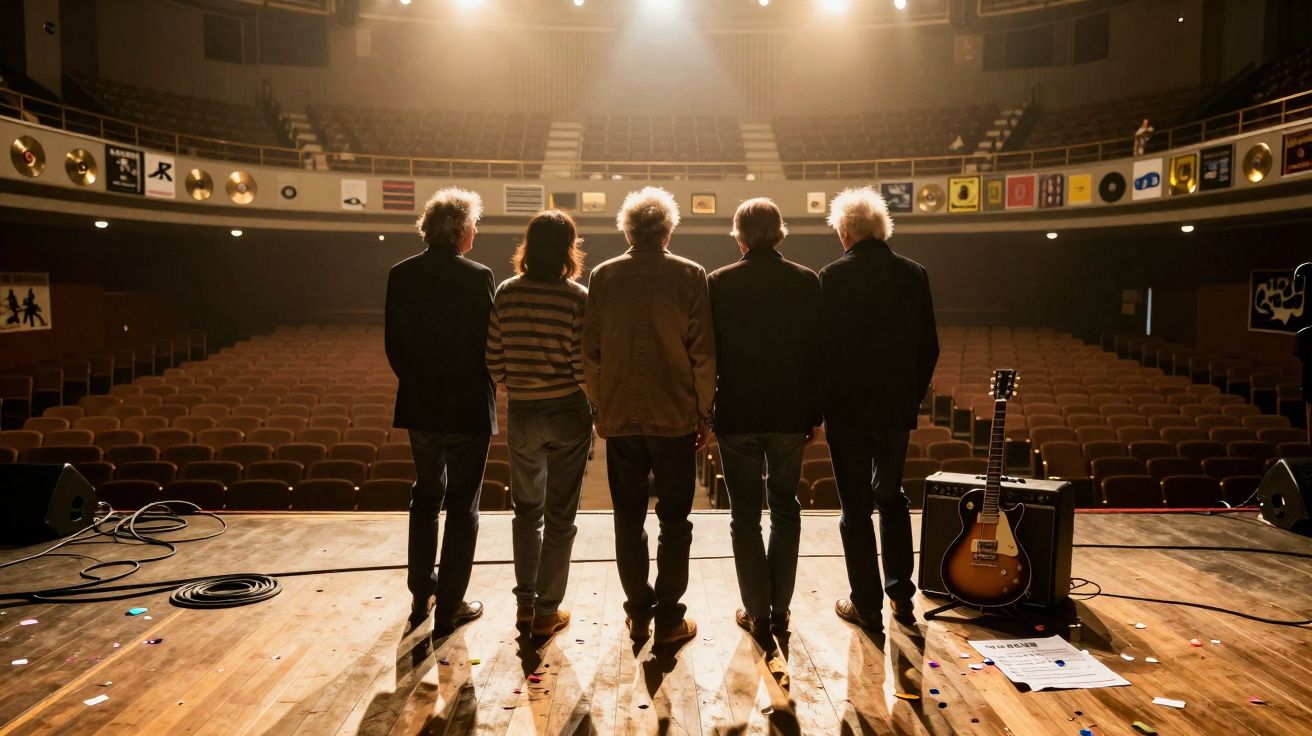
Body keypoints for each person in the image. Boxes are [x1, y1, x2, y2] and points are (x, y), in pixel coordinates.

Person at [583, 186, 715, 646]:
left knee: (628, 519)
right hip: (676, 417)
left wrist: (599, 407)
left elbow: (590, 355)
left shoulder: (602, 276)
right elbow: (702, 354)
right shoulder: (690, 274)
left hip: (620, 416)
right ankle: (669, 619)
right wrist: (705, 414)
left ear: (627, 229)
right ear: (668, 230)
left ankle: (638, 611)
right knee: (675, 521)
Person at [820, 186, 938, 633]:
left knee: (855, 507)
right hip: (894, 412)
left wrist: (823, 404)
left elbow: (823, 351)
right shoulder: (914, 274)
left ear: (847, 231)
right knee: (891, 498)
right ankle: (901, 596)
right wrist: (910, 397)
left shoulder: (831, 277)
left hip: (847, 412)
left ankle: (866, 604)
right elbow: (928, 346)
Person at [707, 198, 821, 652]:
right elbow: (817, 355)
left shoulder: (719, 282)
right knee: (787, 509)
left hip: (737, 414)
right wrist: (814, 415)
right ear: (779, 234)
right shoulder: (806, 281)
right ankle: (780, 610)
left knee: (744, 516)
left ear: (739, 236)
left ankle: (756, 611)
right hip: (790, 414)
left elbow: (710, 353)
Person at [386, 187, 495, 635]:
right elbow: (490, 344)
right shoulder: (478, 275)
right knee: (463, 506)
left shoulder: (401, 273)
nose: (475, 232)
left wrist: (417, 383)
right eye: (473, 224)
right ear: (461, 229)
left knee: (425, 497)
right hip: (468, 406)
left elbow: (394, 345)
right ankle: (450, 604)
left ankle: (419, 594)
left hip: (421, 404)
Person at [486, 210, 592, 639]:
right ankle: (548, 612)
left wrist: (516, 386)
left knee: (526, 513)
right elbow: (580, 363)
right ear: (569, 248)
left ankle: (525, 607)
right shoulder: (576, 297)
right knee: (561, 516)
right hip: (567, 409)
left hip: (523, 412)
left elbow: (493, 357)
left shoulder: (507, 293)